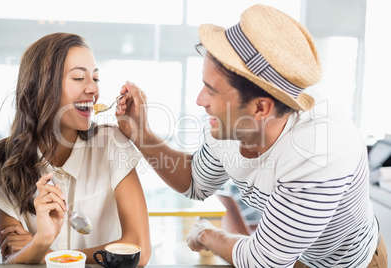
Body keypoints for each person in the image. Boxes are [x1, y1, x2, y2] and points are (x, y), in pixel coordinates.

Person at [115, 4, 387, 268]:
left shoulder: (319, 152)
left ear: (260, 108)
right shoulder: (230, 126)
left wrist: (207, 234)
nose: (200, 100)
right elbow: (196, 181)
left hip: (350, 263)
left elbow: (264, 261)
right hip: (292, 255)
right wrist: (140, 133)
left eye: (211, 90)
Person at [0, 33, 151, 265]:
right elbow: (11, 258)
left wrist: (49, 256)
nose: (93, 89)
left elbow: (138, 249)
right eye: (78, 78)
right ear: (41, 86)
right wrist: (43, 239)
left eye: (95, 79)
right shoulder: (3, 159)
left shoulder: (111, 143)